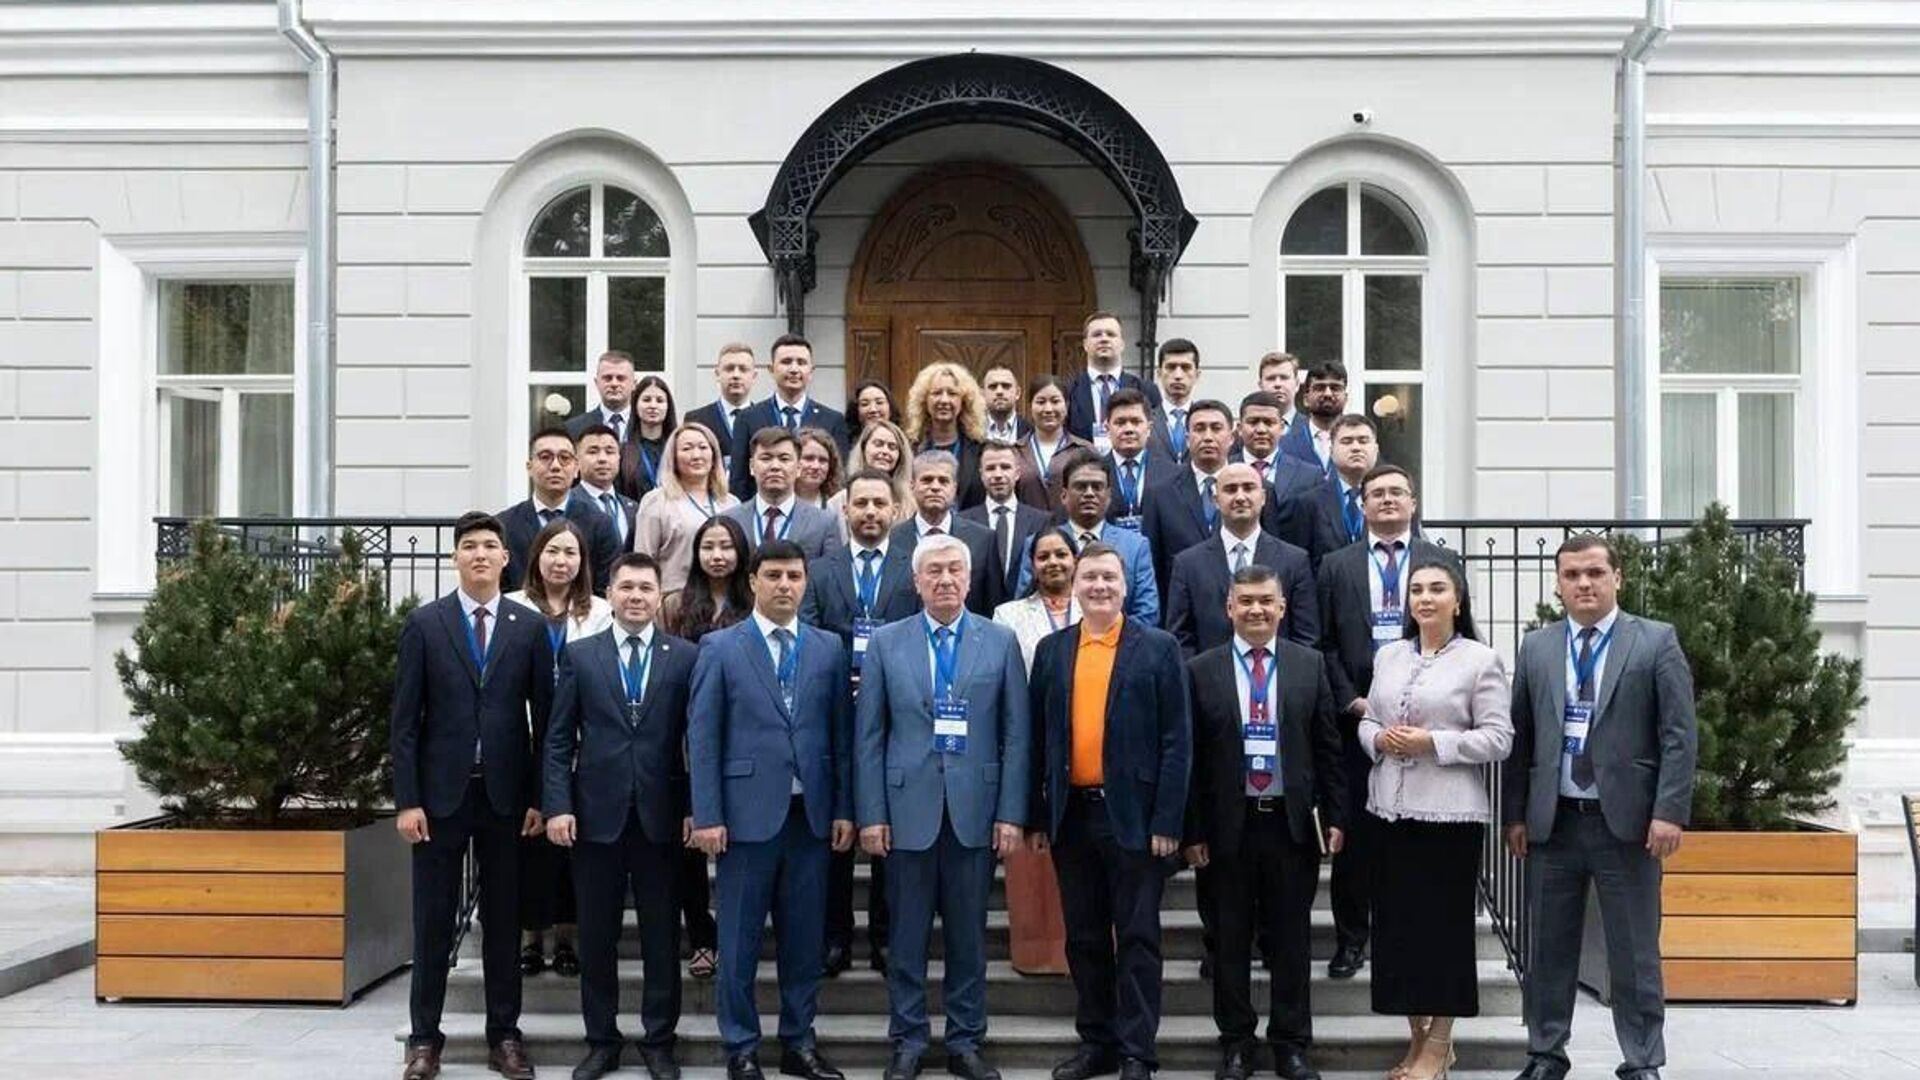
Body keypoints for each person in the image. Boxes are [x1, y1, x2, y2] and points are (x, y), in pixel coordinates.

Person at [1503, 536, 1697, 1080]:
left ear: (1618, 578)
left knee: (1634, 950)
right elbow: (1522, 736)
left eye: (1594, 573)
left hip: (1628, 826)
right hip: (1555, 822)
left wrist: (1669, 811)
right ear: (1558, 584)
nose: (1583, 584)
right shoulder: (1537, 647)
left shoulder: (1654, 641)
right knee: (1548, 948)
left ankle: (1642, 1060)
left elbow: (1679, 734)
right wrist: (1515, 814)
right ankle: (1546, 1054)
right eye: (1571, 575)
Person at [856, 535, 1032, 1080]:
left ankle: (965, 1041)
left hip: (974, 812)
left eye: (955, 569)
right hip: (905, 810)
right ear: (916, 581)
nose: (945, 579)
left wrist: (1011, 812)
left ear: (970, 578)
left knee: (967, 939)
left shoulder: (1000, 641)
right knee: (905, 939)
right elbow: (870, 736)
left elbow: (1016, 735)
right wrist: (872, 814)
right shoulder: (886, 643)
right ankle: (908, 1039)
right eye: (933, 571)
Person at [392, 511, 554, 1080]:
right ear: (455, 557)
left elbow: (547, 720)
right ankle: (423, 1040)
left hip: (507, 799)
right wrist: (407, 800)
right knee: (433, 921)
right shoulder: (425, 624)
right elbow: (405, 722)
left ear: (506, 558)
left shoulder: (528, 627)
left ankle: (504, 1035)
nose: (479, 554)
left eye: (489, 545)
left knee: (504, 922)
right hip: (439, 799)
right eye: (469, 546)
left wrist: (540, 797)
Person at [688, 539, 855, 1080]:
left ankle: (798, 1042)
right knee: (737, 942)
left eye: (795, 576)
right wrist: (708, 814)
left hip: (810, 817)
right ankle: (740, 1046)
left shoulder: (828, 648)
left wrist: (844, 808)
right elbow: (703, 738)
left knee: (804, 942)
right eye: (775, 575)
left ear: (806, 583)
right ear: (753, 581)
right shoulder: (720, 647)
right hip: (744, 819)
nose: (785, 585)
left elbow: (841, 736)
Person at [1027, 542, 1189, 1080]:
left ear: (1126, 586)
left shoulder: (1159, 648)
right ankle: (1097, 1042)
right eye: (1090, 577)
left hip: (1136, 820)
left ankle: (1138, 1051)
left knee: (1138, 937)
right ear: (1075, 585)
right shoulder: (1052, 650)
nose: (1099, 586)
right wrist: (1037, 816)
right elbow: (1038, 739)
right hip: (1072, 818)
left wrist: (1168, 820)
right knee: (1085, 937)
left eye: (1109, 578)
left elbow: (1177, 741)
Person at [1181, 565, 1345, 1080]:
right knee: (1229, 941)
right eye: (1246, 601)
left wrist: (1336, 815)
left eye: (1265, 601)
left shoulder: (1308, 665)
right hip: (1225, 829)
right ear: (1229, 608)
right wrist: (1192, 830)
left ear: (1282, 608)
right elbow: (1189, 758)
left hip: (1289, 827)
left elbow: (1328, 747)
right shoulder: (1200, 670)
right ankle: (1236, 1042)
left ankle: (1291, 1043)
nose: (1256, 610)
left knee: (1291, 941)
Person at [542, 553, 697, 1080]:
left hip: (662, 819)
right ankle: (601, 1040)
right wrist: (558, 805)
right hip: (595, 818)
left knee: (661, 937)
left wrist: (695, 808)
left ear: (659, 595)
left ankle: (659, 1041)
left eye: (645, 588)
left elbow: (696, 739)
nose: (635, 596)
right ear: (610, 593)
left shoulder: (685, 657)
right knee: (597, 936)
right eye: (626, 587)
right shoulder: (580, 655)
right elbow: (558, 739)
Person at [1358, 561, 1512, 1080]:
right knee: (1398, 934)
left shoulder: (1480, 660)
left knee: (1442, 935)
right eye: (1417, 590)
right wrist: (1376, 738)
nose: (1425, 598)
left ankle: (1441, 1039)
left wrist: (1434, 743)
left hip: (1449, 818)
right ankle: (1419, 1040)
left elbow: (1499, 738)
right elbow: (1370, 719)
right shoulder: (1389, 655)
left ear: (1458, 601)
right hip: (1388, 812)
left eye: (1437, 589)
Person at [1314, 463, 1463, 982]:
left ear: (1413, 503)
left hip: (1423, 727)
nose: (1387, 500)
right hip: (1357, 723)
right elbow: (1323, 643)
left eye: (1397, 492)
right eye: (1376, 494)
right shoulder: (1335, 566)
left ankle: (1405, 937)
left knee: (1413, 841)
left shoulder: (1441, 562)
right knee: (1355, 839)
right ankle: (1351, 939)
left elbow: (1461, 635)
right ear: (1362, 506)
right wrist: (1353, 702)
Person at [800, 469, 917, 978]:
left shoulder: (913, 566)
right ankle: (835, 937)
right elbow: (807, 633)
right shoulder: (819, 570)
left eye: (879, 503)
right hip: (834, 711)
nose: (870, 512)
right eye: (861, 503)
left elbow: (919, 633)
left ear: (895, 510)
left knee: (888, 825)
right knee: (837, 828)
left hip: (896, 715)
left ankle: (886, 936)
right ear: (844, 510)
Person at [508, 520, 615, 982]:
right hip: (524, 740)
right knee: (529, 848)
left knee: (570, 850)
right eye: (553, 551)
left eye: (571, 553)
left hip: (579, 745)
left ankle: (568, 939)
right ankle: (530, 938)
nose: (561, 561)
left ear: (582, 562)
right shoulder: (514, 607)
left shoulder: (601, 612)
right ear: (537, 556)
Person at [658, 514, 753, 982]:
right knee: (688, 844)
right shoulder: (675, 606)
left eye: (726, 546)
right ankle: (701, 936)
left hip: (741, 734)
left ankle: (740, 936)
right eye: (708, 547)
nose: (717, 555)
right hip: (680, 732)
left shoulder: (754, 604)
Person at [990, 531, 1078, 977]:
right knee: (1033, 861)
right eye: (1043, 556)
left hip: (1087, 746)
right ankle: (1038, 953)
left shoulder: (1096, 606)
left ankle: (1083, 954)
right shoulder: (1008, 615)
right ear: (1031, 564)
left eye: (1061, 553)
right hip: (1032, 744)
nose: (1053, 562)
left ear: (1076, 560)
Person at [1165, 462, 1318, 656]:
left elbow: (1306, 638)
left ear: (1263, 497)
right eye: (1230, 489)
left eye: (1248, 488)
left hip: (1277, 672)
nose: (1240, 497)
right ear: (1215, 500)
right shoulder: (1187, 565)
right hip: (1209, 674)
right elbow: (1180, 639)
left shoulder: (1294, 561)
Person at [1013, 451, 1159, 626]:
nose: (1089, 493)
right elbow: (1023, 609)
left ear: (1109, 496)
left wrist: (1102, 637)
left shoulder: (1135, 546)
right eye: (1081, 487)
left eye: (1097, 487)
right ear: (1064, 496)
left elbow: (1148, 613)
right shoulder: (1039, 545)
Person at [501, 427, 622, 596]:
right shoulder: (505, 525)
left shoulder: (600, 525)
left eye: (564, 458)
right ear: (529, 467)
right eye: (545, 457)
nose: (555, 466)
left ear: (576, 468)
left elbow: (606, 587)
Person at [729, 334, 851, 502]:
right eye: (786, 362)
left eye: (801, 362)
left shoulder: (833, 420)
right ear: (771, 369)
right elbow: (739, 480)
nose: (794, 369)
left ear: (811, 371)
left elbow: (838, 478)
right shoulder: (747, 418)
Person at [1140, 399, 1233, 600]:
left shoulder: (1253, 489)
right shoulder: (1160, 493)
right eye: (1199, 429)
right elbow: (1153, 565)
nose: (1208, 437)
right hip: (1181, 607)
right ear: (1188, 438)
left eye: (1216, 428)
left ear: (1232, 437)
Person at [889, 450, 1000, 617]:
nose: (935, 487)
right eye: (927, 480)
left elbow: (994, 604)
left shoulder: (984, 540)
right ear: (912, 486)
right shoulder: (891, 540)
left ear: (954, 488)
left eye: (943, 481)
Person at [634, 422, 739, 594]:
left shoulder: (731, 503)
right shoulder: (656, 502)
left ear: (714, 454)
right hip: (675, 598)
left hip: (725, 599)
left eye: (703, 447)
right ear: (673, 457)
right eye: (687, 448)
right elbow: (643, 561)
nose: (696, 455)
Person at [1231, 392, 1328, 559]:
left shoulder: (1310, 476)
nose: (1261, 430)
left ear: (1282, 427)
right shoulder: (1225, 471)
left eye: (1269, 423)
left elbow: (1318, 538)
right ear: (1239, 428)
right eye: (1253, 422)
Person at [724, 427, 841, 560]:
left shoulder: (824, 523)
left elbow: (832, 570)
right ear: (751, 466)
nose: (775, 466)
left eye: (784, 459)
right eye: (766, 458)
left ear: (798, 468)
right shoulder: (730, 520)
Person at [960, 440, 1050, 607]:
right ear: (981, 474)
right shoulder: (962, 522)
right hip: (977, 612)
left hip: (1027, 612)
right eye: (990, 468)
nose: (998, 474)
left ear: (1017, 473)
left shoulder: (1041, 521)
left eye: (1005, 467)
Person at [1065, 311, 1160, 449]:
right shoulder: (1069, 391)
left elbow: (1156, 438)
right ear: (1085, 344)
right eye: (1097, 334)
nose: (1104, 339)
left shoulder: (1146, 390)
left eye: (1111, 334)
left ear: (1122, 344)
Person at [906, 361, 989, 511]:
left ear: (964, 401)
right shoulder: (910, 449)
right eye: (936, 393)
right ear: (924, 400)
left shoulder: (981, 450)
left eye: (952, 393)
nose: (944, 400)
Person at [1015, 373, 1092, 513]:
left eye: (1055, 401)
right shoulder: (1015, 451)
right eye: (1041, 402)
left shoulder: (1085, 450)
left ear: (1066, 405)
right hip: (1027, 526)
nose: (1048, 409)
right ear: (1030, 406)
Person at [1101, 387, 1175, 533]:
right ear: (1107, 428)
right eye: (1120, 422)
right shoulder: (1095, 471)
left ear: (1149, 428)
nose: (1128, 429)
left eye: (1136, 422)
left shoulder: (1171, 474)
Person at [1310, 416, 1381, 560]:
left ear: (1376, 450)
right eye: (1347, 441)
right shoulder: (1309, 504)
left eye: (1363, 441)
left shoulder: (1394, 501)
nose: (1356, 448)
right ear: (1331, 451)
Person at [685, 343, 758, 484]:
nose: (736, 375)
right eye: (729, 369)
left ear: (754, 376)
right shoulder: (696, 419)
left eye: (743, 369)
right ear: (717, 374)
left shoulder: (765, 419)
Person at [829, 419, 914, 534]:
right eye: (878, 444)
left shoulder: (910, 504)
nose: (885, 451)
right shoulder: (839, 502)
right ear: (863, 448)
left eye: (892, 447)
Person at [577, 423, 640, 554]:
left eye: (610, 452)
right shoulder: (567, 505)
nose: (602, 459)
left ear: (619, 458)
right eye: (593, 452)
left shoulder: (634, 508)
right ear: (576, 460)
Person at [1278, 361, 1346, 474]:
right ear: (1306, 399)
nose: (1328, 394)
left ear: (1346, 398)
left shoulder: (1359, 443)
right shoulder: (1284, 444)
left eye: (1335, 388)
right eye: (1320, 388)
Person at [619, 374, 678, 503]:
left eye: (660, 400)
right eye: (646, 400)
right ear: (635, 405)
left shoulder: (678, 449)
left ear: (668, 407)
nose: (653, 405)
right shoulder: (623, 452)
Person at [566, 350, 640, 444]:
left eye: (621, 378)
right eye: (607, 378)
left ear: (634, 384)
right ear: (597, 383)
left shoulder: (646, 425)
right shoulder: (574, 428)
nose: (614, 384)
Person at [1148, 340, 1200, 465]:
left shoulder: (1206, 421)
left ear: (1197, 375)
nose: (1178, 375)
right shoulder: (1146, 420)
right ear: (1159, 374)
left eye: (1185, 368)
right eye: (1171, 367)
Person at [795, 426, 845, 510]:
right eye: (809, 458)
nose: (816, 466)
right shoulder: (779, 500)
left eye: (823, 460)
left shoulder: (838, 504)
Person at [1255, 352, 1302, 436]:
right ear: (1261, 385)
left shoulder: (1312, 429)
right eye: (1271, 378)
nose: (1277, 384)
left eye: (1284, 378)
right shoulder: (1245, 433)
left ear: (1297, 384)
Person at [981, 365, 1026, 443]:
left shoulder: (1032, 433)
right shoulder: (969, 434)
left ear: (1017, 393)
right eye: (993, 387)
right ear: (982, 394)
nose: (999, 391)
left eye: (1006, 386)